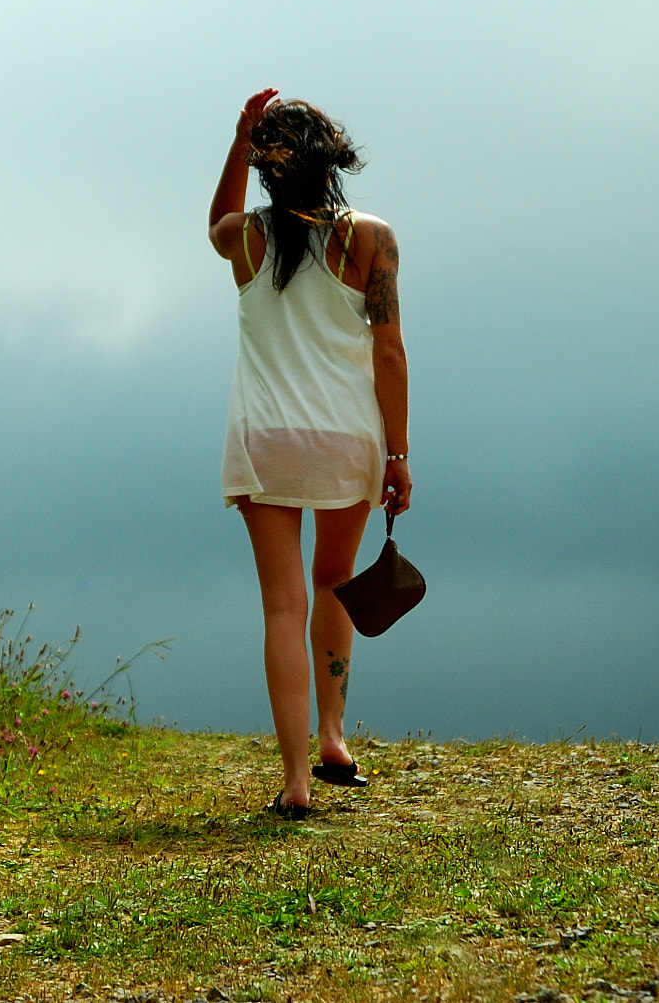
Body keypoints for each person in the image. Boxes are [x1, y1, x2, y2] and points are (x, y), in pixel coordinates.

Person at [207, 87, 412, 819]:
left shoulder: (246, 240)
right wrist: (399, 454)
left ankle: (296, 780)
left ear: (266, 168)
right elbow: (388, 353)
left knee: (281, 607)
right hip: (345, 440)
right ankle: (333, 736)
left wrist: (238, 139)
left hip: (266, 441)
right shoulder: (372, 240)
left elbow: (212, 222)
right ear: (333, 159)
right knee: (334, 583)